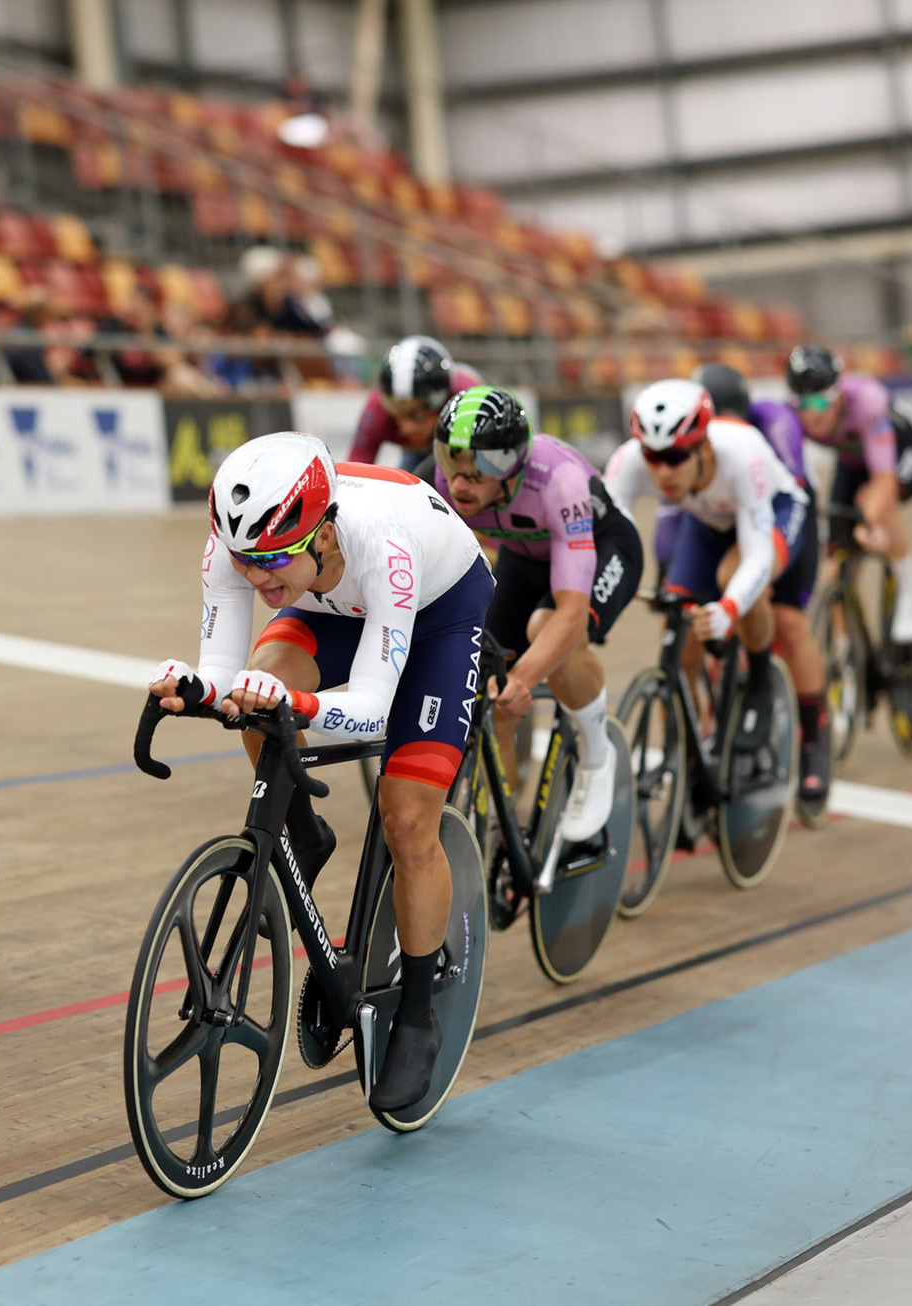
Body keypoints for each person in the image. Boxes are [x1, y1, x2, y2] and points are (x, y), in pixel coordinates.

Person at [148, 434, 492, 1112]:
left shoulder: (384, 543)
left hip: (436, 614)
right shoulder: (241, 537)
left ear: (326, 532)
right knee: (255, 694)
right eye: (245, 561)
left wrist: (299, 705)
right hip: (329, 603)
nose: (256, 577)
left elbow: (368, 709)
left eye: (273, 559)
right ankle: (303, 832)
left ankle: (419, 1012)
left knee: (406, 816)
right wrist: (197, 689)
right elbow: (222, 671)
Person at [430, 386, 642, 842]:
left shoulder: (557, 481)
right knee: (493, 695)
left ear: (510, 467)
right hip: (524, 559)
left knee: (549, 632)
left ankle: (596, 755)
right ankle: (502, 835)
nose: (459, 483)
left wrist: (524, 677)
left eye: (477, 469)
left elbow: (570, 612)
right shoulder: (440, 482)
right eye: (450, 461)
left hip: (606, 546)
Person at [608, 378, 810, 755]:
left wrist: (729, 607)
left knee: (733, 578)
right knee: (679, 633)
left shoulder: (742, 457)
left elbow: (757, 556)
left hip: (776, 510)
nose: (663, 472)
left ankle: (760, 686)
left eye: (675, 458)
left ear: (704, 446)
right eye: (653, 458)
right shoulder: (628, 461)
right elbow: (607, 537)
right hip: (708, 521)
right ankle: (685, 754)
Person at [687, 362, 831, 808]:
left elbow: (793, 496)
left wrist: (762, 574)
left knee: (787, 620)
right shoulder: (688, 450)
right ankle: (697, 734)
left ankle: (815, 738)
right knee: (685, 617)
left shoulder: (774, 422)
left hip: (779, 518)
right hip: (725, 523)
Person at [785, 344, 912, 644]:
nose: (812, 413)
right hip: (852, 462)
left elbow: (884, 481)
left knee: (874, 504)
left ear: (838, 393)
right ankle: (844, 645)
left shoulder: (866, 402)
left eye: (821, 402)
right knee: (836, 562)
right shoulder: (789, 416)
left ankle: (909, 586)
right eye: (804, 403)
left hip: (903, 450)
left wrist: (868, 519)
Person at [350, 335, 483, 471]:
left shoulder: (465, 401)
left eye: (415, 414)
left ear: (443, 404)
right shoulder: (378, 409)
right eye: (396, 411)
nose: (406, 428)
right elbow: (354, 472)